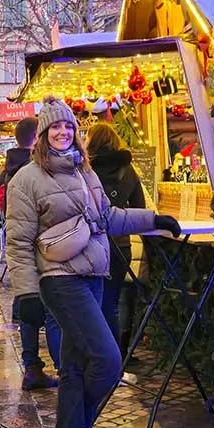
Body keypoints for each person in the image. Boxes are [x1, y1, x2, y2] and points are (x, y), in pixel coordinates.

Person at [5, 98, 179, 428]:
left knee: (75, 367)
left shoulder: (85, 171)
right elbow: (17, 243)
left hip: (94, 275)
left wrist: (154, 219)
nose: (63, 132)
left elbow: (109, 217)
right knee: (108, 360)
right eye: (55, 127)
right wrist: (26, 293)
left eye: (68, 126)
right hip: (60, 279)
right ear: (43, 134)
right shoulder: (27, 179)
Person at [0, 117, 61, 391]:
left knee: (29, 310)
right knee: (52, 312)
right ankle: (65, 372)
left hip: (23, 249)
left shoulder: (11, 167)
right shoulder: (33, 169)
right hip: (44, 248)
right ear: (38, 137)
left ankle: (33, 367)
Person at [85, 123, 147, 353]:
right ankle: (115, 357)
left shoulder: (86, 170)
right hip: (121, 247)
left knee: (92, 305)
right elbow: (139, 209)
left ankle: (97, 356)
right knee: (111, 305)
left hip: (91, 245)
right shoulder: (128, 170)